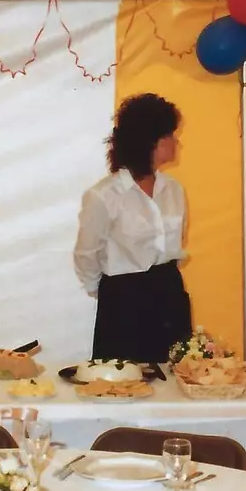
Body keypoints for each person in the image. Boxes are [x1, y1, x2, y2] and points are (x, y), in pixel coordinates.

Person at [73, 94, 192, 363]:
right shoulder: (104, 195)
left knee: (175, 380)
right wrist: (110, 291)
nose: (177, 141)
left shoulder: (173, 190)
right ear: (151, 141)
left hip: (169, 292)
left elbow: (174, 242)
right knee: (121, 383)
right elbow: (86, 255)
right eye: (171, 135)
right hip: (124, 299)